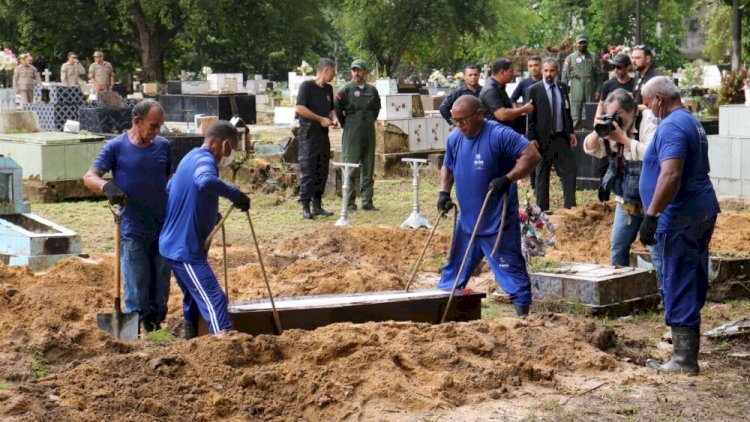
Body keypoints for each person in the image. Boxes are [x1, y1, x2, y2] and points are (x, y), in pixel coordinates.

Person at [638, 76, 720, 375]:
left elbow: (671, 174)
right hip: (697, 210)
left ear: (659, 99)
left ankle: (685, 360)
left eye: (648, 104)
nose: (648, 110)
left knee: (680, 277)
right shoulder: (691, 122)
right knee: (690, 274)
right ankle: (685, 351)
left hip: (681, 214)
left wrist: (652, 215)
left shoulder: (672, 126)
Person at [436, 95, 541, 316]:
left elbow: (531, 155)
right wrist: (444, 193)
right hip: (467, 222)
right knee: (453, 270)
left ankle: (524, 318)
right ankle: (443, 316)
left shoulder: (499, 134)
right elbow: (448, 166)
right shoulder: (455, 138)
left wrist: (508, 179)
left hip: (496, 220)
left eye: (463, 120)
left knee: (510, 269)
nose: (459, 125)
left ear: (479, 115)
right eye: (455, 121)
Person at [83, 100, 172, 333]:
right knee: (135, 283)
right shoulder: (116, 147)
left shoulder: (163, 146)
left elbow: (170, 179)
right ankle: (135, 331)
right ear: (137, 121)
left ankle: (155, 327)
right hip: (132, 228)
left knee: (160, 283)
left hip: (163, 226)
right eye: (153, 126)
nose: (157, 132)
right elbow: (90, 176)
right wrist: (106, 188)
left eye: (160, 126)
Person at [159, 121, 251, 338]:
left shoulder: (189, 157)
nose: (231, 155)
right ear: (225, 144)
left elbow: (171, 188)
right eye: (233, 149)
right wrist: (236, 195)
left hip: (174, 244)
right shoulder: (204, 160)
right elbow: (205, 181)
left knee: (193, 296)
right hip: (185, 250)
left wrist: (208, 213)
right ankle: (225, 341)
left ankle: (192, 338)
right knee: (215, 298)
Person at [583, 88, 662, 274]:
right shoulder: (612, 127)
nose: (616, 119)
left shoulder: (648, 120)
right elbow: (589, 148)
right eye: (611, 115)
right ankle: (619, 294)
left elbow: (654, 154)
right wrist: (599, 128)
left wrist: (623, 139)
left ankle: (666, 296)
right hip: (625, 201)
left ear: (633, 111)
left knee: (657, 252)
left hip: (653, 201)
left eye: (619, 115)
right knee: (618, 249)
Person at [526, 58, 577, 211]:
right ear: (542, 71)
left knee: (569, 172)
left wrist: (571, 132)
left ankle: (570, 208)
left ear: (557, 72)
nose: (549, 74)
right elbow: (531, 117)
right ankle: (543, 210)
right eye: (546, 70)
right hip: (542, 140)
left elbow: (567, 111)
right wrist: (532, 138)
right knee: (542, 176)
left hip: (561, 138)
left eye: (552, 71)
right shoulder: (534, 90)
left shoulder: (562, 87)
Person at [295, 58, 340, 219]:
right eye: (333, 72)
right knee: (308, 170)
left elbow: (331, 109)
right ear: (326, 71)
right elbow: (300, 108)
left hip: (323, 135)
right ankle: (306, 206)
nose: (334, 75)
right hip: (308, 134)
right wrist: (320, 119)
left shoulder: (328, 89)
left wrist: (334, 118)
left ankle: (317, 205)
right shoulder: (306, 86)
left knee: (322, 168)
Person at [335, 59, 381, 212]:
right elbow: (337, 109)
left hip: (368, 131)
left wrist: (369, 119)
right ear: (351, 72)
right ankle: (349, 203)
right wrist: (345, 123)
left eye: (359, 70)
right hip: (352, 131)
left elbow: (376, 108)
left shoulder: (372, 90)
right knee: (351, 166)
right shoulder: (345, 90)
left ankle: (367, 201)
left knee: (368, 166)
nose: (356, 73)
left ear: (364, 72)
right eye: (354, 70)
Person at [479, 58, 533, 135]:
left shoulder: (499, 87)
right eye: (511, 71)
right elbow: (502, 115)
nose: (513, 74)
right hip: (495, 135)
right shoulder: (490, 90)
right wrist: (524, 109)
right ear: (502, 72)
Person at [562, 35, 600, 129]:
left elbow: (599, 76)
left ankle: (592, 133)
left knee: (591, 112)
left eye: (584, 42)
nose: (582, 45)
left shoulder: (593, 57)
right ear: (576, 44)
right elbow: (564, 76)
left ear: (587, 43)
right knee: (575, 113)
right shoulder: (570, 58)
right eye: (580, 43)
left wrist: (598, 90)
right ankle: (575, 134)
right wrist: (564, 93)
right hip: (576, 86)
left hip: (590, 87)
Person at [595, 54, 634, 119]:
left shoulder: (635, 84)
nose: (615, 70)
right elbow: (601, 103)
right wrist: (597, 118)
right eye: (614, 67)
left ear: (628, 67)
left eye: (619, 67)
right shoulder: (608, 84)